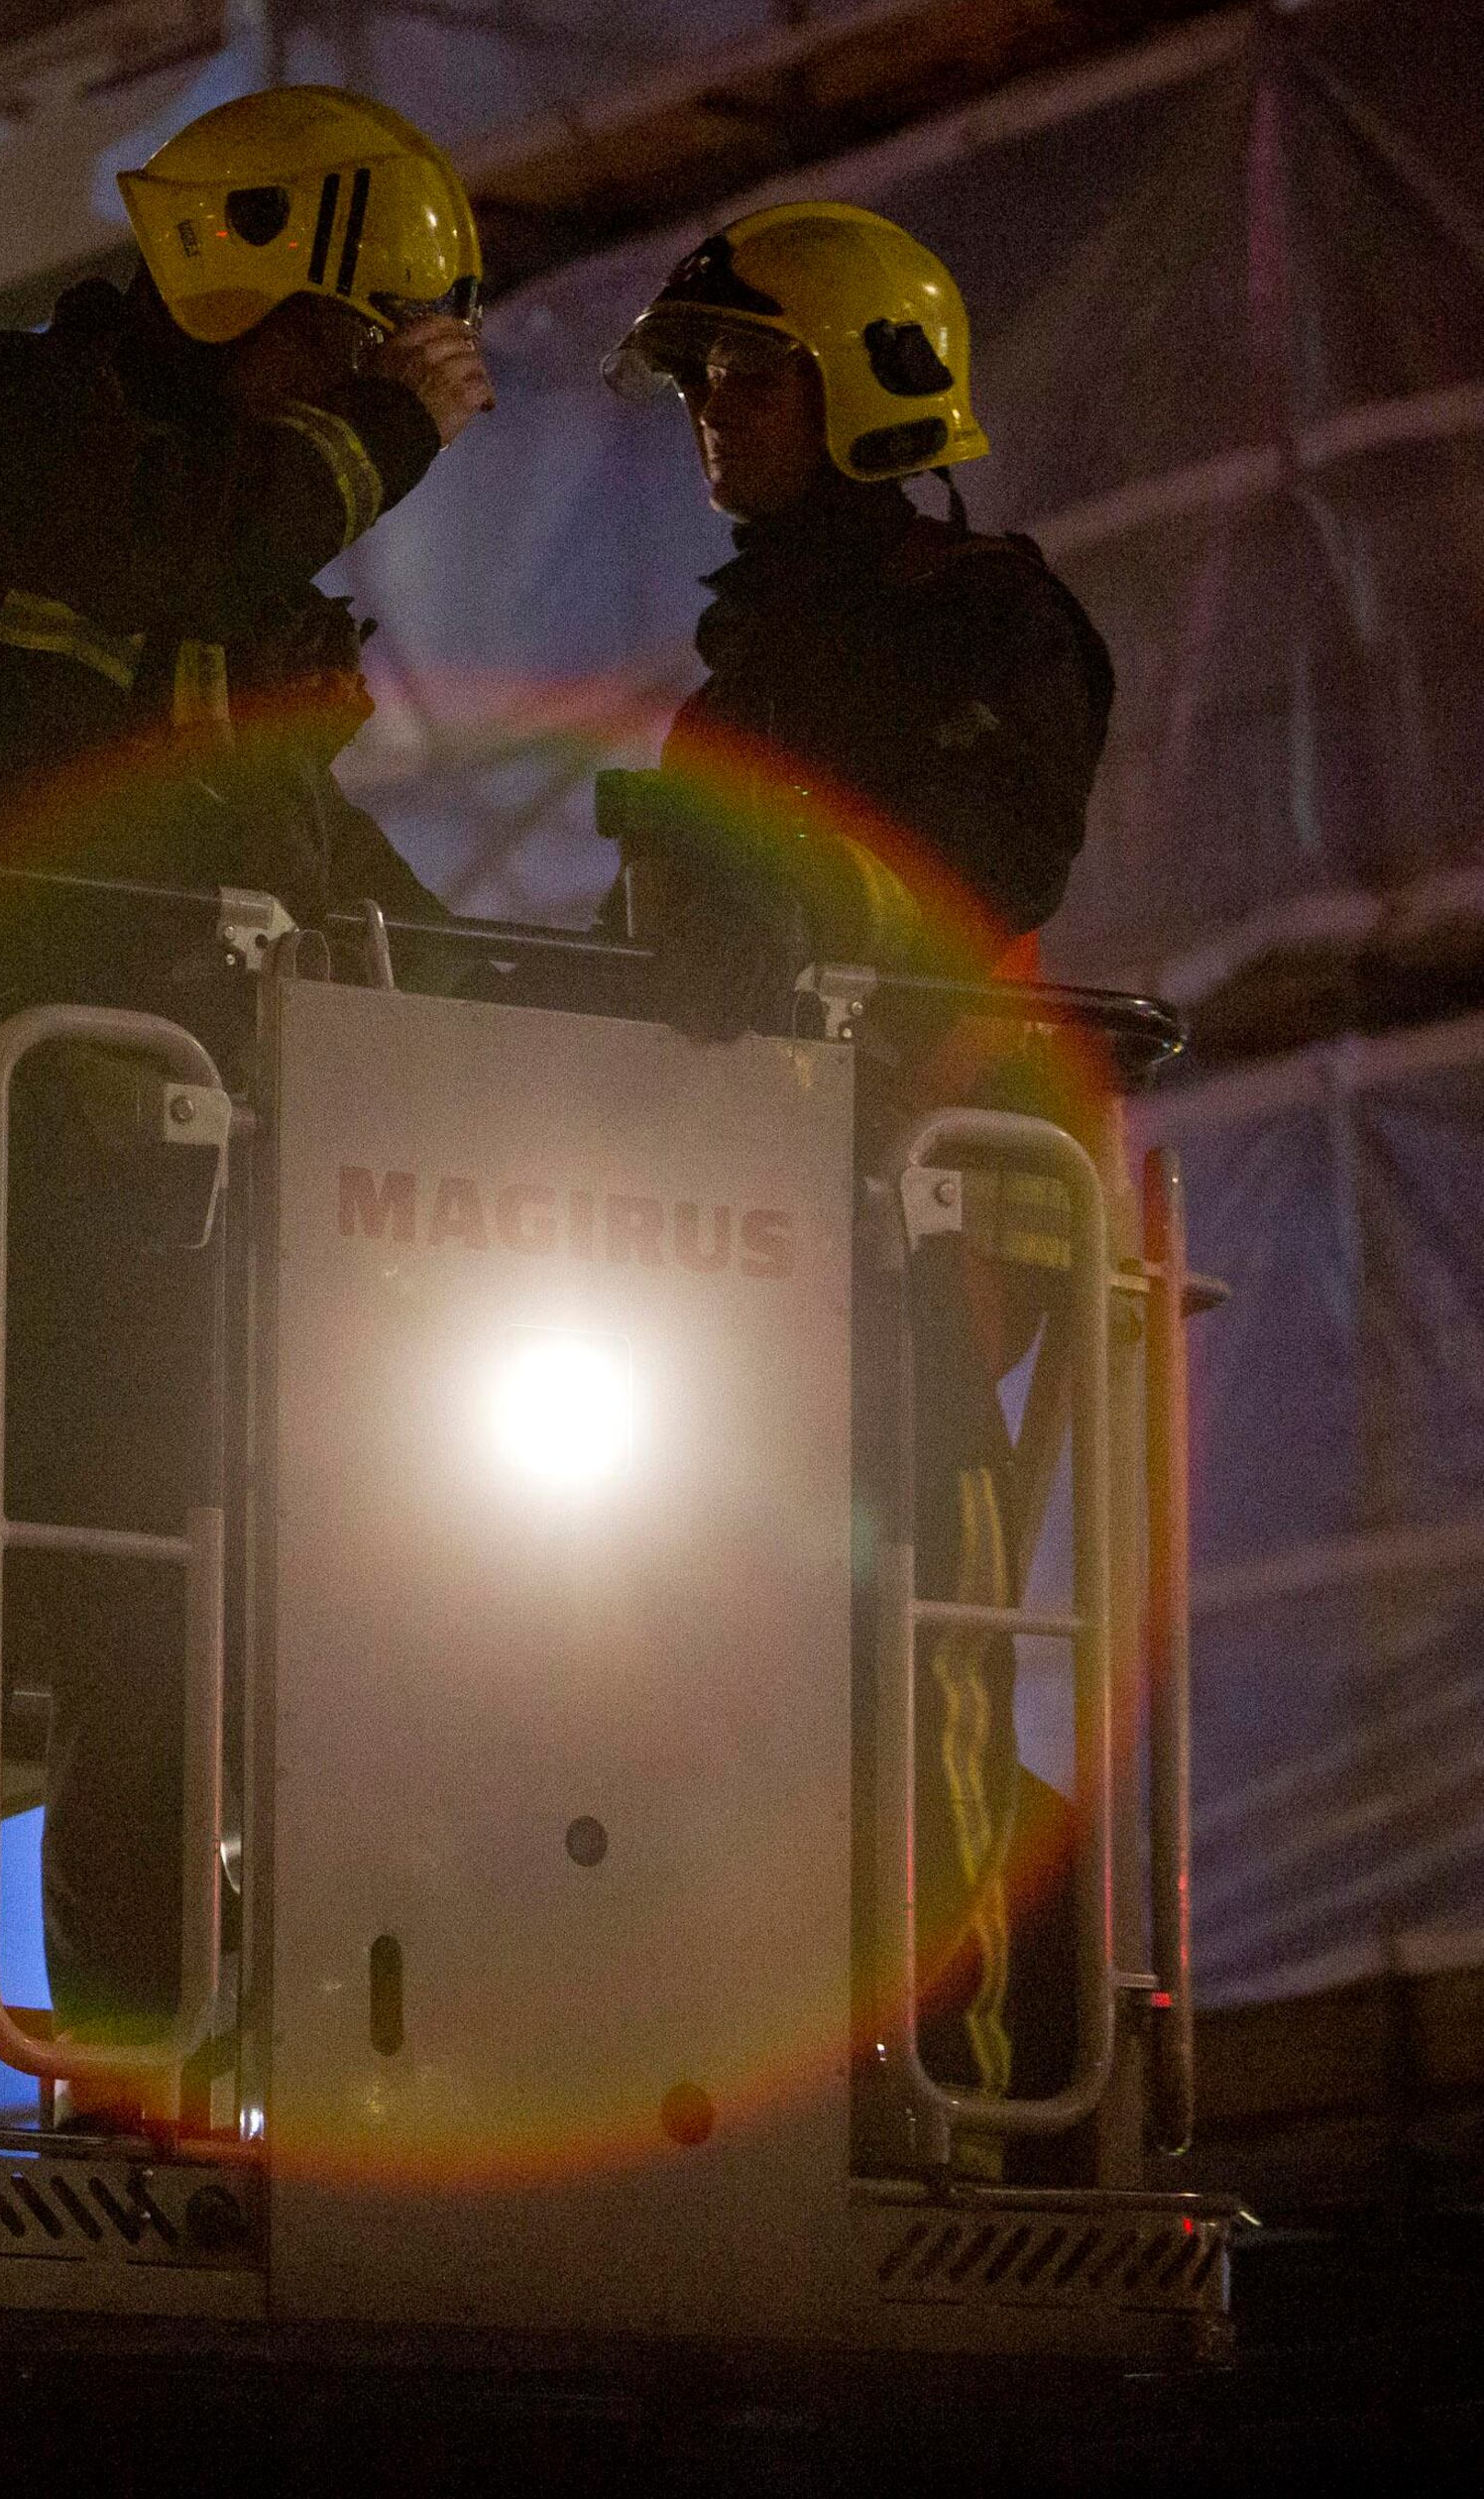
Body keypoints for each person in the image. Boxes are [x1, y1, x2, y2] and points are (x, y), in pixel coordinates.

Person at [0, 85, 495, 2116]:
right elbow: (169, 558)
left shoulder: (213, 530)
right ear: (256, 289)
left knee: (171, 1633)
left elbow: (266, 821)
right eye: (352, 341)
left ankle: (136, 2097)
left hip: (168, 1159)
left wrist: (532, 999)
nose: (359, 393)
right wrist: (384, 439)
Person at [600, 204, 1116, 2140]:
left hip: (924, 1213)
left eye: (747, 375)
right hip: (733, 1245)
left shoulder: (987, 622)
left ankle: (971, 2105)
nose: (709, 417)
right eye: (697, 386)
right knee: (736, 1666)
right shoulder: (729, 698)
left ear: (867, 388)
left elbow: (992, 862)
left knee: (924, 1663)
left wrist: (780, 908)